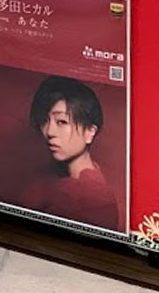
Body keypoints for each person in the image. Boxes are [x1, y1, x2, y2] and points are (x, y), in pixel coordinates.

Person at [20, 75, 119, 231]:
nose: (50, 132)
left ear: (90, 132)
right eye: (45, 121)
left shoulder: (97, 200)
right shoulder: (47, 180)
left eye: (62, 122)